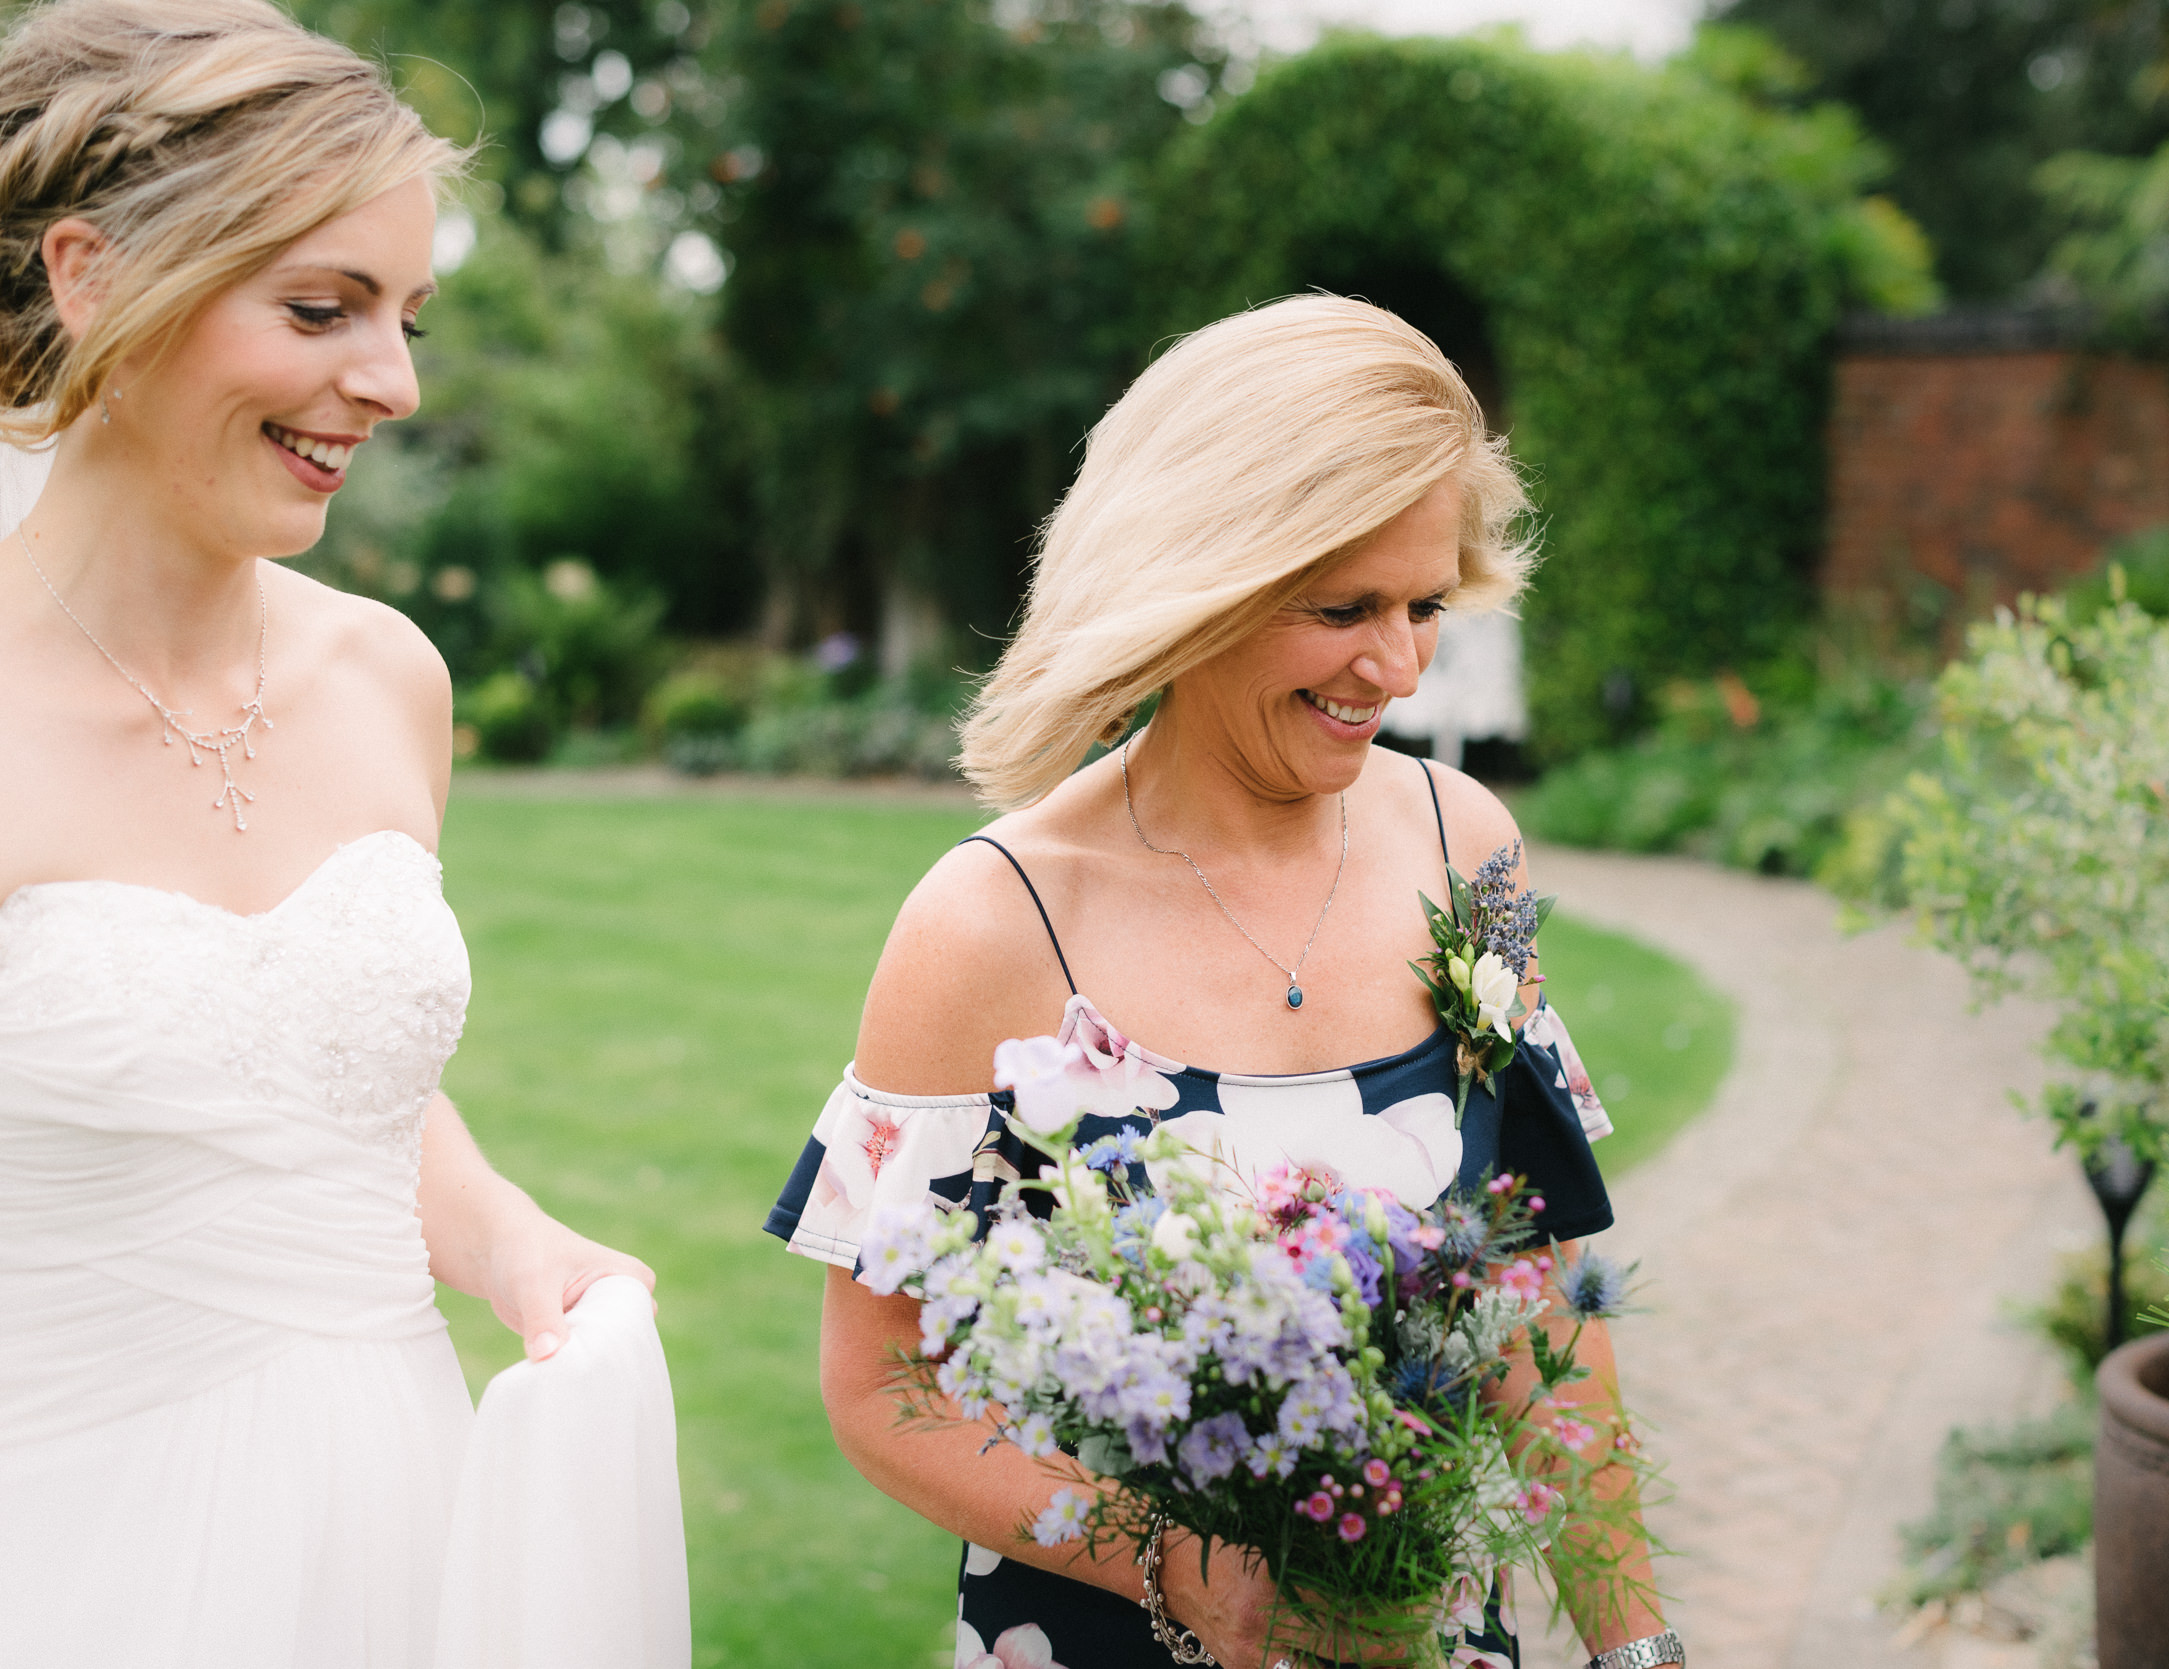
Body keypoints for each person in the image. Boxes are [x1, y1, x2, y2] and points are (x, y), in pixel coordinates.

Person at [767, 296, 1678, 1669]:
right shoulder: (992, 920)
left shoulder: (1466, 845)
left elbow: (1532, 1295)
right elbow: (882, 1385)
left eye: (1426, 604)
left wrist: (1637, 1648)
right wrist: (1178, 1561)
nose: (1397, 664)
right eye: (1343, 608)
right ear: (1199, 580)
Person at [0, 3, 653, 1663]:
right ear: (89, 278)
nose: (395, 382)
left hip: (403, 1521)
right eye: (322, 306)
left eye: (411, 313)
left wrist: (511, 1241)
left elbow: (319, 1078)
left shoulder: (386, 678)